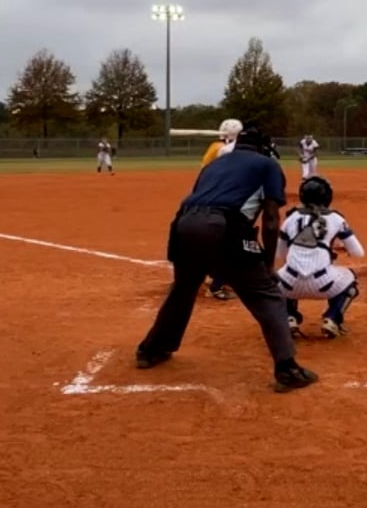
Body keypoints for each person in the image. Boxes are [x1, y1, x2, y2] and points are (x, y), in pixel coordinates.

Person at [135, 123, 319, 392]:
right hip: (224, 224)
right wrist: (267, 265)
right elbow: (270, 219)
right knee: (267, 295)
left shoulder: (213, 165)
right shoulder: (267, 164)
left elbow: (200, 198)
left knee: (184, 288)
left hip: (184, 223)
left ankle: (151, 350)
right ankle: (287, 368)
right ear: (262, 147)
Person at [276, 176, 365, 340]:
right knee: (350, 278)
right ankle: (332, 318)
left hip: (289, 284)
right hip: (324, 284)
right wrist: (332, 246)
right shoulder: (336, 218)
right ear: (328, 197)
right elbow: (358, 253)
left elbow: (279, 254)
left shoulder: (291, 218)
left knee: (277, 276)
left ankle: (289, 317)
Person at [200, 118, 244, 299]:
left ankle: (212, 275)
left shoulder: (215, 147)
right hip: (228, 200)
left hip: (207, 197)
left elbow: (204, 170)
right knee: (232, 241)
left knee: (214, 239)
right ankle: (217, 284)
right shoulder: (232, 150)